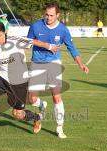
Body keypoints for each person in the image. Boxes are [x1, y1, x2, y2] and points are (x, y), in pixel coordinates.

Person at [27, 2, 89, 139]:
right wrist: (46, 45)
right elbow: (28, 41)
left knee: (56, 96)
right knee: (32, 100)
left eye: (51, 15)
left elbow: (72, 48)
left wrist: (81, 64)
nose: (48, 18)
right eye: (46, 15)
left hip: (54, 63)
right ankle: (42, 105)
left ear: (58, 15)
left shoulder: (63, 30)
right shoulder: (35, 26)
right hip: (37, 63)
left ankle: (59, 128)